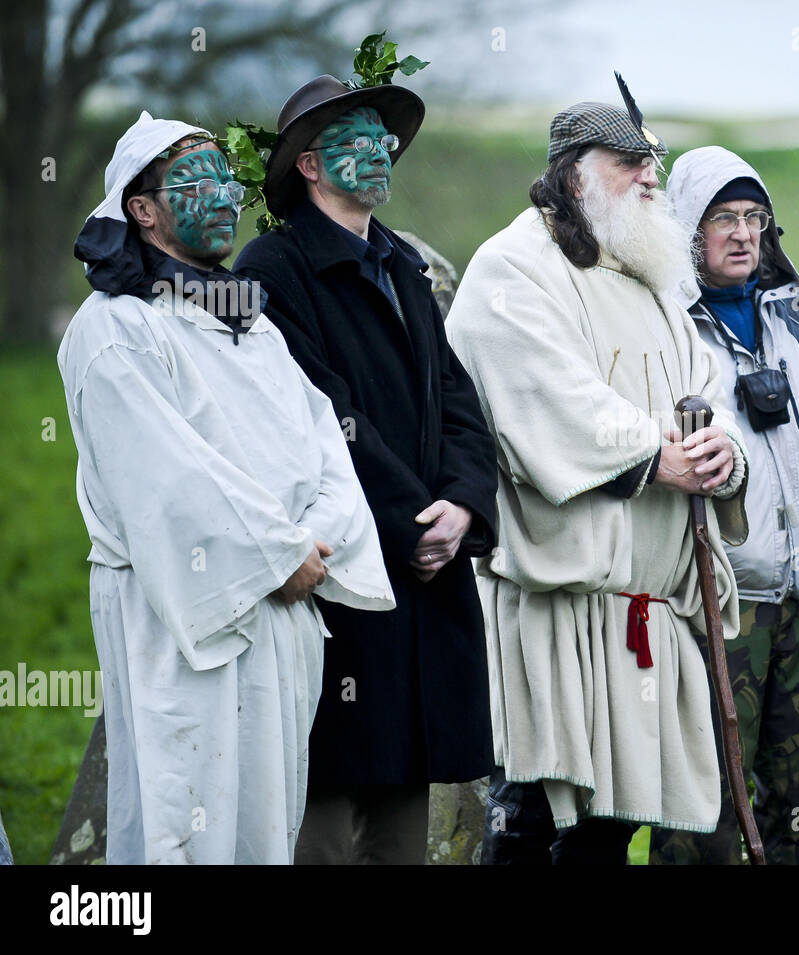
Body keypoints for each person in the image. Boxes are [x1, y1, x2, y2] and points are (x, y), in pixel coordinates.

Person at [58, 111, 394, 864]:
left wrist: (316, 542)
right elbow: (168, 478)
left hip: (285, 596)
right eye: (192, 180)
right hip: (192, 608)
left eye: (225, 179)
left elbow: (322, 446)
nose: (218, 195)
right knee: (186, 811)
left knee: (265, 815)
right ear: (141, 211)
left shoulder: (250, 323)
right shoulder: (118, 330)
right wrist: (278, 554)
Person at [444, 81, 750, 864]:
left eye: (654, 162)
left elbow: (704, 385)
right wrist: (657, 454)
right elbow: (548, 395)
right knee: (534, 816)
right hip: (559, 606)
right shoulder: (512, 268)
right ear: (576, 173)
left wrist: (720, 448)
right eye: (630, 163)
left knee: (613, 826)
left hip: (645, 614)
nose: (652, 177)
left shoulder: (648, 274)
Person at [235, 76, 499, 864]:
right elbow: (320, 414)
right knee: (321, 815)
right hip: (339, 571)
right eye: (356, 138)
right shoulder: (275, 269)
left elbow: (457, 399)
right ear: (310, 167)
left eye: (384, 137)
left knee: (401, 819)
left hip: (423, 574)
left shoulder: (405, 266)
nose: (380, 149)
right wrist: (411, 519)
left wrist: (461, 506)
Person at [647, 146, 799, 865]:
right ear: (685, 231)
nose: (743, 234)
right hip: (715, 602)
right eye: (723, 219)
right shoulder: (665, 328)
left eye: (755, 218)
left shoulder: (787, 316)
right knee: (704, 803)